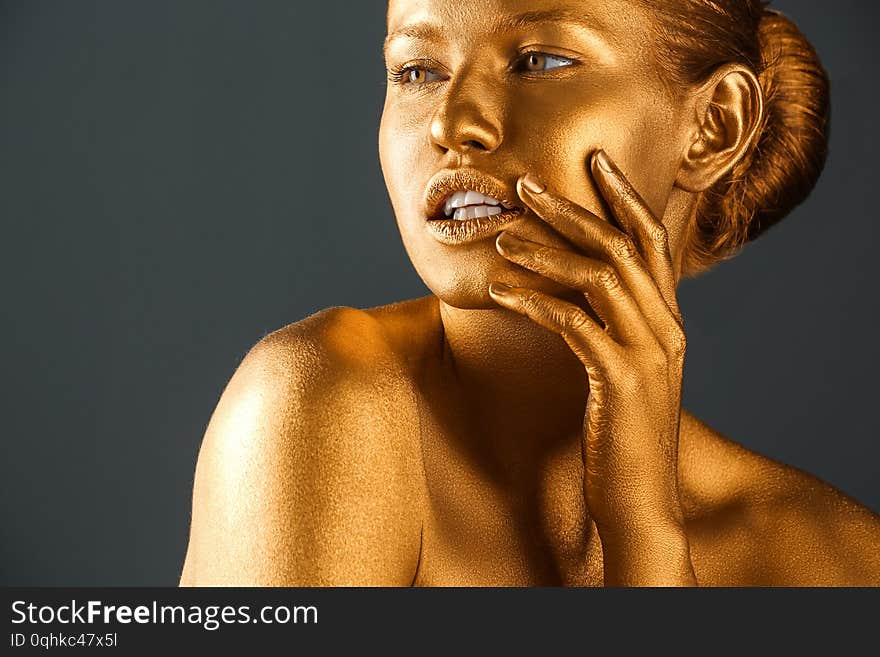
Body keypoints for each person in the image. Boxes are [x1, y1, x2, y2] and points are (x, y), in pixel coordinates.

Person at [179, 0, 880, 586]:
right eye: (417, 70)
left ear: (712, 127)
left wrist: (646, 539)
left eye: (538, 61)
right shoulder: (320, 402)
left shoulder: (833, 561)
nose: (451, 125)